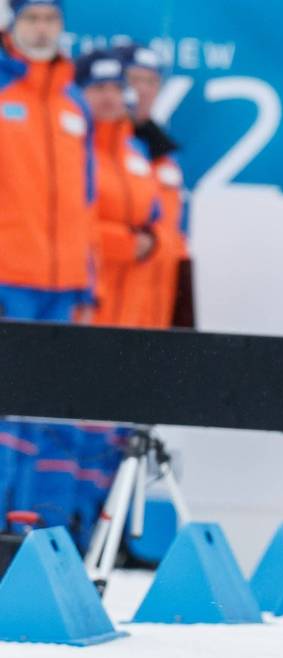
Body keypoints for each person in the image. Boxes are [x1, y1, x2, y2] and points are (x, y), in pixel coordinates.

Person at [0, 0, 95, 532]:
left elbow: (84, 200)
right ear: (12, 23)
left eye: (50, 20)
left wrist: (86, 282)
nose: (41, 29)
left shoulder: (72, 102)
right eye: (31, 18)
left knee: (48, 415)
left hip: (61, 287)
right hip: (7, 277)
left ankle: (35, 534)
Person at [77, 48, 163, 328]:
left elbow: (158, 220)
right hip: (86, 299)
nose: (109, 97)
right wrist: (124, 244)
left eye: (116, 87)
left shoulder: (136, 153)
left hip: (132, 304)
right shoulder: (71, 150)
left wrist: (152, 242)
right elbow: (61, 224)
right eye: (98, 88)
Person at [117, 42, 189, 328]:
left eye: (151, 81)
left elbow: (174, 233)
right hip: (110, 298)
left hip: (155, 306)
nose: (142, 90)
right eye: (134, 79)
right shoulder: (97, 146)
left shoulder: (165, 158)